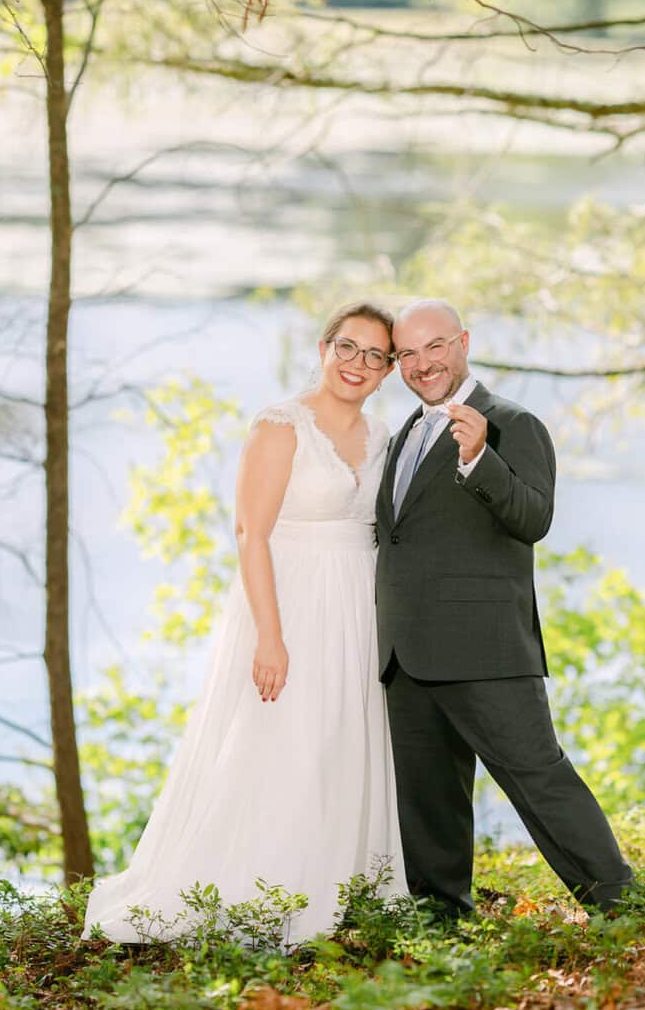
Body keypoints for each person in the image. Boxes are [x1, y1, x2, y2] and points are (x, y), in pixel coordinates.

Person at [82, 302, 407, 946]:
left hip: (357, 605)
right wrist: (270, 636)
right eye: (348, 347)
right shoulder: (281, 425)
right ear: (323, 348)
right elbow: (250, 533)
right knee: (285, 739)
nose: (358, 364)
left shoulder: (385, 436)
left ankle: (343, 883)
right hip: (289, 603)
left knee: (343, 735)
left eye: (376, 356)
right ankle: (265, 894)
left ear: (389, 370)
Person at [376, 298, 633, 918]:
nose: (421, 363)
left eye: (434, 346)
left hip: (486, 647)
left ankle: (624, 907)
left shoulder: (514, 423)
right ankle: (443, 922)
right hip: (405, 654)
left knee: (540, 779)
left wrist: (478, 459)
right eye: (407, 354)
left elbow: (534, 519)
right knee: (428, 797)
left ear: (463, 342)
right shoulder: (400, 435)